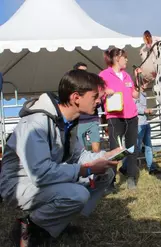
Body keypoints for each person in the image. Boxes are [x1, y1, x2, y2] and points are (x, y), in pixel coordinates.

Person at [0, 70, 124, 246]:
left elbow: (78, 155)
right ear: (76, 97)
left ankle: (62, 221)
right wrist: (87, 169)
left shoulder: (67, 121)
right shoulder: (37, 123)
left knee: (106, 174)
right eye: (95, 96)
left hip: (41, 179)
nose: (99, 101)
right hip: (19, 183)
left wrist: (106, 156)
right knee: (78, 194)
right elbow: (40, 174)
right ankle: (29, 227)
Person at [99, 48, 140, 191]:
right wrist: (104, 91)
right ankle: (110, 182)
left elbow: (135, 94)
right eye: (125, 57)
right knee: (115, 150)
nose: (127, 60)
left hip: (132, 116)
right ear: (117, 58)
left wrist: (139, 85)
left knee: (132, 148)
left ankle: (131, 178)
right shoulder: (104, 75)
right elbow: (96, 92)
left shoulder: (127, 76)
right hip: (115, 117)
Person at [73, 62, 102, 153]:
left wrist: (97, 101)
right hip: (79, 121)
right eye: (81, 71)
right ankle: (85, 166)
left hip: (93, 119)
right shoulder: (72, 86)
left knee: (96, 148)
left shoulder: (93, 85)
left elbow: (99, 102)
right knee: (81, 150)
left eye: (85, 71)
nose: (84, 74)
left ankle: (97, 166)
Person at [135, 78, 161, 175]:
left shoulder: (143, 94)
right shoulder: (135, 94)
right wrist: (146, 110)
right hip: (139, 124)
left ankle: (151, 168)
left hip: (144, 123)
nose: (146, 85)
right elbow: (134, 107)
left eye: (146, 83)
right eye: (144, 83)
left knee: (148, 147)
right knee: (137, 147)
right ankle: (126, 167)